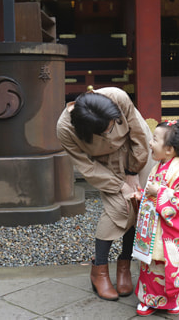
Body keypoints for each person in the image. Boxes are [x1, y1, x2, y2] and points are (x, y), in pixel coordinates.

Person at [56, 86, 154, 301]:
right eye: (106, 132)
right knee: (119, 209)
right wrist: (119, 185)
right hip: (105, 165)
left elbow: (137, 132)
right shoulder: (65, 128)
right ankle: (99, 270)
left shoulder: (117, 97)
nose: (111, 133)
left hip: (138, 150)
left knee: (141, 204)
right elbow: (87, 167)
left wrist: (133, 171)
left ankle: (125, 265)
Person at [133, 119, 179, 316]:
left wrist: (159, 192)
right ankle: (147, 299)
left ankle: (174, 299)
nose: (150, 143)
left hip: (168, 230)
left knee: (168, 266)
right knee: (150, 265)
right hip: (155, 227)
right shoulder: (159, 166)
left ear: (168, 149)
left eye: (154, 139)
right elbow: (153, 192)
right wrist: (143, 195)